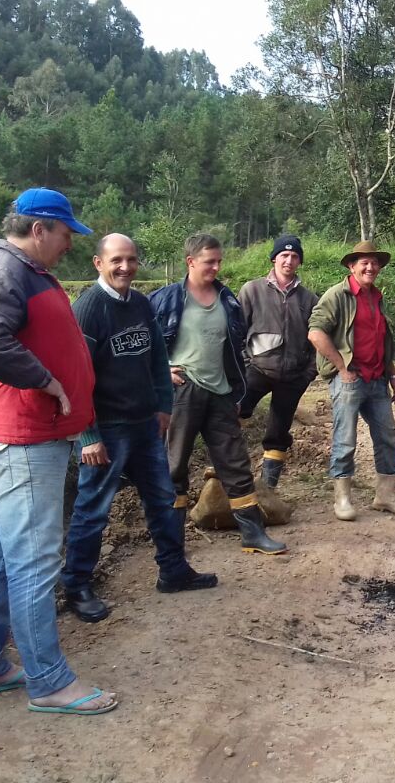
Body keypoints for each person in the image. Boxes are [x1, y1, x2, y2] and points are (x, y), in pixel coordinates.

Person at [0, 187, 117, 715]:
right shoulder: (5, 270)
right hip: (23, 438)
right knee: (34, 560)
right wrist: (44, 380)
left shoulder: (26, 271)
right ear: (40, 228)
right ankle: (49, 681)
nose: (69, 243)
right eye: (67, 233)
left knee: (0, 554)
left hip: (27, 436)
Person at [62, 234, 217, 624]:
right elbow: (75, 378)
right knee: (93, 510)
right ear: (99, 263)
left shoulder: (141, 304)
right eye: (116, 260)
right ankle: (77, 586)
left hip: (145, 426)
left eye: (131, 260)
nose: (125, 267)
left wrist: (163, 406)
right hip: (106, 430)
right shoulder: (89, 310)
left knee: (163, 499)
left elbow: (157, 359)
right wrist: (88, 435)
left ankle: (173, 570)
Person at [150, 234, 287, 555]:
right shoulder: (166, 299)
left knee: (236, 463)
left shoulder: (228, 300)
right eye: (209, 261)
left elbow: (236, 348)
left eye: (218, 261)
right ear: (190, 262)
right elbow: (147, 343)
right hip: (181, 392)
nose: (216, 266)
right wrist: (160, 371)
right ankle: (172, 541)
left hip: (220, 393)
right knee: (173, 465)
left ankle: (252, 532)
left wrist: (238, 389)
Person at [307, 240, 395, 520]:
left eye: (374, 262)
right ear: (352, 266)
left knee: (388, 437)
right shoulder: (337, 295)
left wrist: (393, 375)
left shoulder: (377, 296)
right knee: (346, 439)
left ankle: (385, 496)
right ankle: (342, 499)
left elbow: (382, 340)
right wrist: (342, 368)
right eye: (364, 262)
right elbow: (315, 332)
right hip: (350, 380)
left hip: (377, 380)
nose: (370, 266)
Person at [237, 234, 319, 487]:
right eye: (284, 255)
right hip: (257, 370)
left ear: (299, 262)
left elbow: (317, 338)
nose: (289, 260)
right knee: (232, 415)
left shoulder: (309, 299)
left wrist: (309, 372)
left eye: (294, 256)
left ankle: (267, 490)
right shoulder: (252, 290)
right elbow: (236, 331)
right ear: (274, 259)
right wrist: (245, 364)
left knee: (278, 432)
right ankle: (227, 480)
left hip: (293, 376)